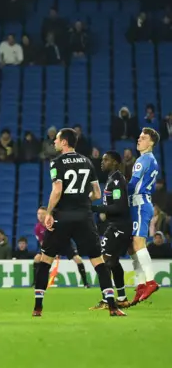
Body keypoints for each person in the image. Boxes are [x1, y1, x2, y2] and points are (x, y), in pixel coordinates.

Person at [34, 128, 125, 316]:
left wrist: (49, 212)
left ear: (65, 142)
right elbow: (97, 194)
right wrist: (82, 201)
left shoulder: (56, 163)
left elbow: (57, 190)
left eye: (57, 140)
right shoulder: (87, 161)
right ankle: (113, 306)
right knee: (99, 263)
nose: (54, 143)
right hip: (84, 218)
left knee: (45, 261)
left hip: (62, 217)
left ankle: (38, 307)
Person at [89, 151, 132, 310]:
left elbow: (119, 207)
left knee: (103, 260)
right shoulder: (112, 179)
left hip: (119, 227)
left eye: (106, 160)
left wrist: (95, 208)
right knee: (113, 262)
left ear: (115, 162)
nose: (102, 162)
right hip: (116, 226)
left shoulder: (117, 180)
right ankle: (122, 298)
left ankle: (107, 300)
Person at [128, 128, 161, 305]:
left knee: (138, 242)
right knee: (132, 247)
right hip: (138, 204)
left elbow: (133, 184)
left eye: (143, 138)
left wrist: (117, 196)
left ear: (152, 143)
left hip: (140, 204)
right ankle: (141, 284)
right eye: (139, 136)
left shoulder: (143, 159)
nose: (139, 139)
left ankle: (150, 281)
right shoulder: (152, 161)